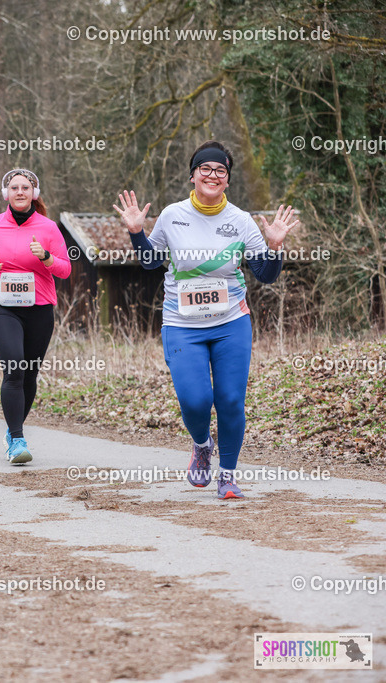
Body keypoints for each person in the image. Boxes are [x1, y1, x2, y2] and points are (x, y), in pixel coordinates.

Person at [114, 140, 297, 499]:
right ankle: (201, 445)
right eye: (206, 169)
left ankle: (227, 475)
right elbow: (152, 262)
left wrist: (273, 246)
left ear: (227, 180)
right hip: (182, 324)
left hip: (231, 322)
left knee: (230, 400)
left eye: (221, 171)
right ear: (193, 176)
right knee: (195, 400)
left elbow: (265, 274)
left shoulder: (241, 221)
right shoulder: (172, 215)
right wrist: (138, 233)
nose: (213, 175)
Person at [0, 169, 71, 465]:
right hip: (1, 306)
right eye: (14, 187)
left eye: (26, 187)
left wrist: (45, 257)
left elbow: (64, 269)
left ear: (34, 194)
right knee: (14, 366)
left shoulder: (49, 228)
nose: (20, 192)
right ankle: (18, 439)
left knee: (29, 373)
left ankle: (12, 434)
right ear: (6, 194)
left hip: (39, 308)